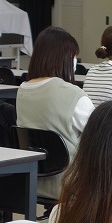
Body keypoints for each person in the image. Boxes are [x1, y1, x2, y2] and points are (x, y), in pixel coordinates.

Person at [16, 26, 95, 199]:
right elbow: (100, 134)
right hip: (71, 182)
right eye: (74, 56)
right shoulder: (72, 94)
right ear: (64, 58)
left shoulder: (23, 90)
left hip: (32, 178)